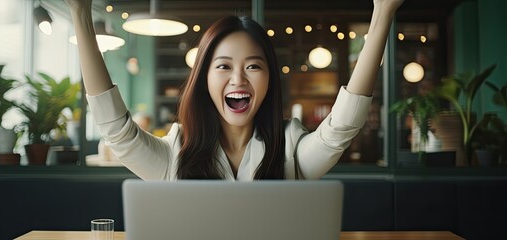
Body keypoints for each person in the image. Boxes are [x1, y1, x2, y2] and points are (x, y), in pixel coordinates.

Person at [64, 0, 404, 180]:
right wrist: (79, 12)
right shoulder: (173, 156)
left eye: (253, 66)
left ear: (270, 79)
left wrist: (383, 11)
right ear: (204, 79)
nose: (238, 80)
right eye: (223, 66)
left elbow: (341, 127)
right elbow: (118, 133)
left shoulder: (292, 151)